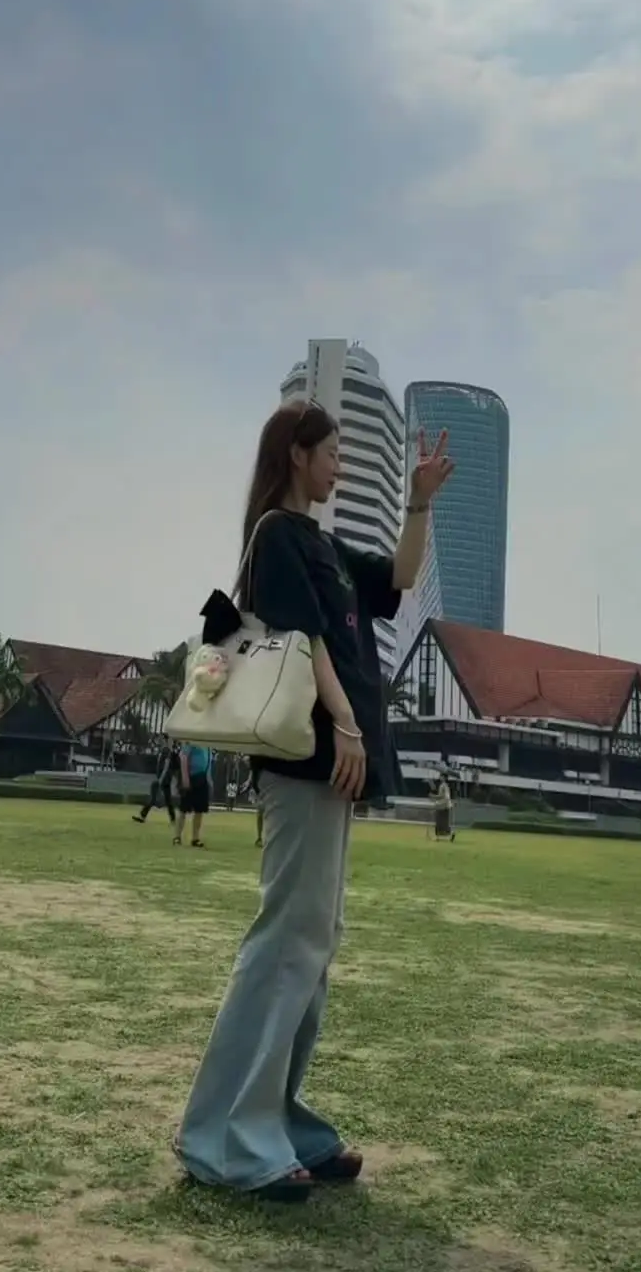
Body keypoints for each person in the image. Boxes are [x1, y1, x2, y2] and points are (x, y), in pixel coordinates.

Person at [175, 403, 454, 1201]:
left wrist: (419, 502)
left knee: (312, 942)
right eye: (332, 451)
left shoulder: (324, 544)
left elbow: (399, 580)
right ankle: (225, 1138)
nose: (340, 464)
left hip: (333, 761)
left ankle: (279, 1121)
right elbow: (306, 641)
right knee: (286, 939)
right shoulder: (276, 536)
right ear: (297, 455)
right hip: (307, 757)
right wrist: (346, 722)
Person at [173, 742, 213, 847]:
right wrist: (185, 778)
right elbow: (183, 757)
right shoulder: (191, 741)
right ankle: (177, 837)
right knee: (183, 809)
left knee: (199, 810)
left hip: (202, 778)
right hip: (191, 777)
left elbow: (208, 763)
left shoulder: (208, 745)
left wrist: (209, 780)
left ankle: (195, 838)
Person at [134, 745, 178, 827]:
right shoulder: (163, 752)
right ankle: (173, 819)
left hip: (163, 780)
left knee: (155, 799)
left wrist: (160, 780)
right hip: (164, 780)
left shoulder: (166, 752)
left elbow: (166, 767)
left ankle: (143, 816)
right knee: (167, 801)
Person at [433, 769, 455, 842]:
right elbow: (447, 796)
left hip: (442, 806)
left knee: (439, 821)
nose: (440, 777)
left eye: (441, 776)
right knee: (444, 822)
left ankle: (438, 837)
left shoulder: (443, 786)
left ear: (444, 778)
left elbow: (442, 796)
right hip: (445, 806)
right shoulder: (446, 786)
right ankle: (450, 833)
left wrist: (433, 796)